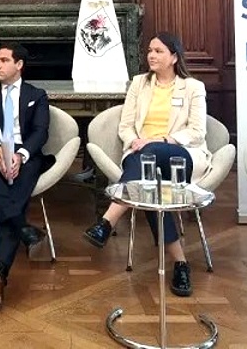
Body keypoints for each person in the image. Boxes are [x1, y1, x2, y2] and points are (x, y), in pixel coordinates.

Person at [83, 32, 210, 297]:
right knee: (149, 185)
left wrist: (159, 139)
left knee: (149, 158)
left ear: (174, 57)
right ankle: (181, 264)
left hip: (180, 154)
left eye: (159, 51)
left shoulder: (193, 87)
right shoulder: (139, 83)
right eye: (150, 50)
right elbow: (126, 126)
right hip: (142, 156)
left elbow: (197, 131)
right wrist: (136, 142)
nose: (151, 55)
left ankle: (107, 221)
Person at [0, 43, 51, 311]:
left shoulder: (37, 95)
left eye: (4, 60)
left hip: (25, 159)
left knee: (12, 198)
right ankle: (24, 229)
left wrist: (20, 155)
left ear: (19, 65)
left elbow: (40, 132)